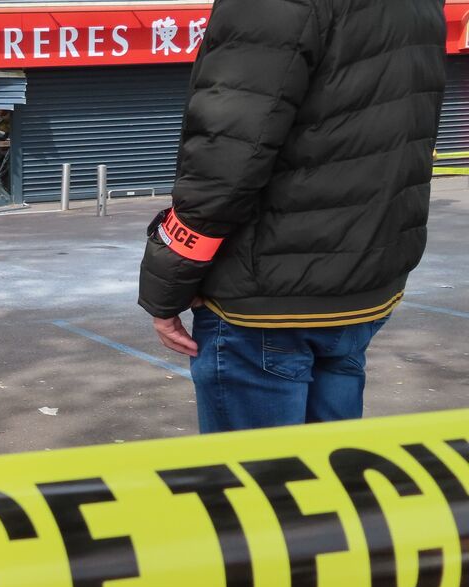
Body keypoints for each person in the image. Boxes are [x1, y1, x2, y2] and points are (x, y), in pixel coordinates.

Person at [138, 0, 447, 433]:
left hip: (267, 298)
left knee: (256, 490)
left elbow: (226, 153)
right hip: (365, 283)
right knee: (327, 482)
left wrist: (166, 286)